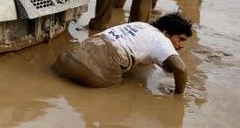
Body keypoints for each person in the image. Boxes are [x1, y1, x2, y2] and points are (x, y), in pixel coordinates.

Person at [54, 13, 192, 94]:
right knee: (122, 91)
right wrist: (178, 94)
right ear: (166, 33)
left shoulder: (141, 25)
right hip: (91, 75)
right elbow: (181, 69)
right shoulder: (162, 40)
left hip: (65, 60)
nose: (181, 45)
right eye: (180, 39)